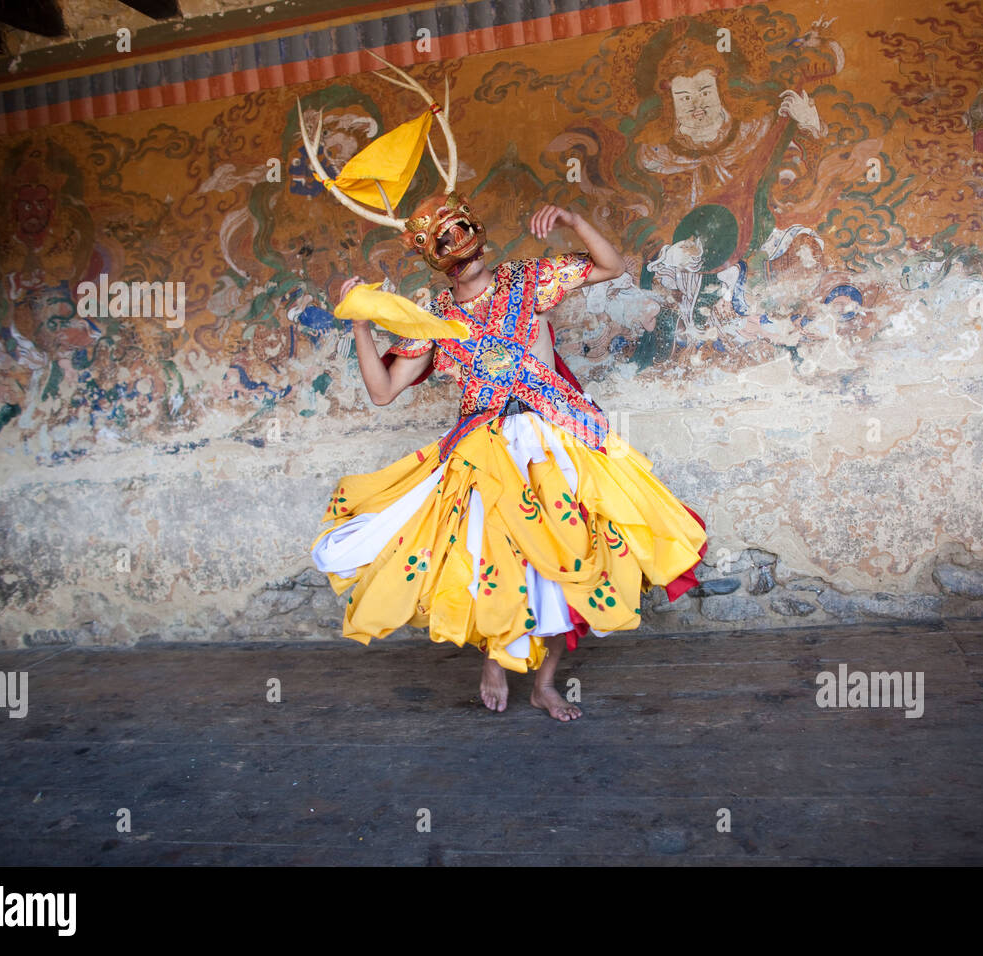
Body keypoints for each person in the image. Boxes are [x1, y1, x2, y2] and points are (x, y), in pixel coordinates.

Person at [298, 57, 708, 720]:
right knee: (494, 555)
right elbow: (382, 393)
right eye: (448, 239)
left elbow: (613, 266)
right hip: (484, 448)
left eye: (464, 228)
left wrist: (572, 217)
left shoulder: (526, 283)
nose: (463, 242)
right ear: (437, 256)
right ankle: (495, 656)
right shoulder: (431, 317)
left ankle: (545, 681)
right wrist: (359, 325)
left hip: (553, 434)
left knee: (567, 552)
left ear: (476, 232)